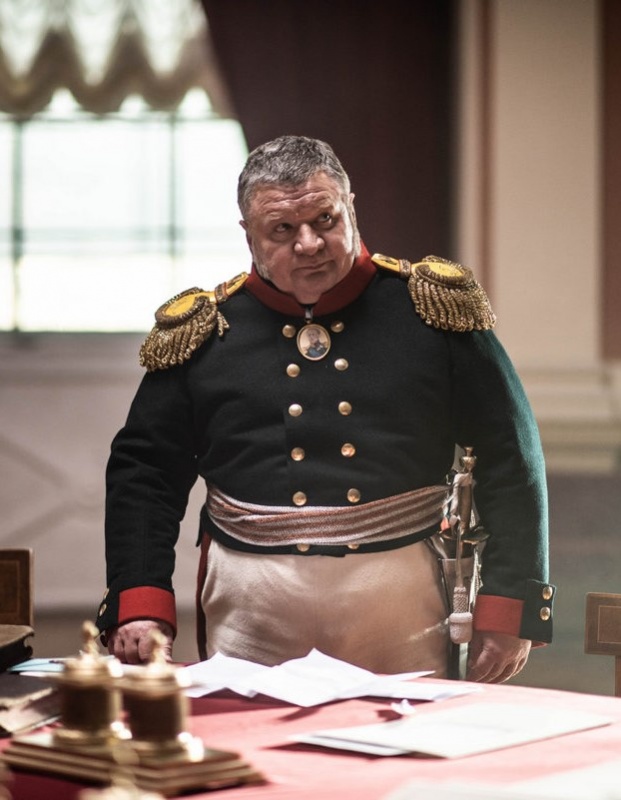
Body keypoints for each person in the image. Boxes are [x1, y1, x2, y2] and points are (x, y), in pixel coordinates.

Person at [96, 135, 554, 683]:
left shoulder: (434, 312)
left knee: (408, 739)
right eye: (282, 229)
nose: (309, 243)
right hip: (248, 608)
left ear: (350, 207)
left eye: (325, 219)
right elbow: (145, 472)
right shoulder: (202, 331)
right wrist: (141, 601)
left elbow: (511, 457)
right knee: (245, 736)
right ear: (248, 233)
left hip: (402, 603)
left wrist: (508, 608)